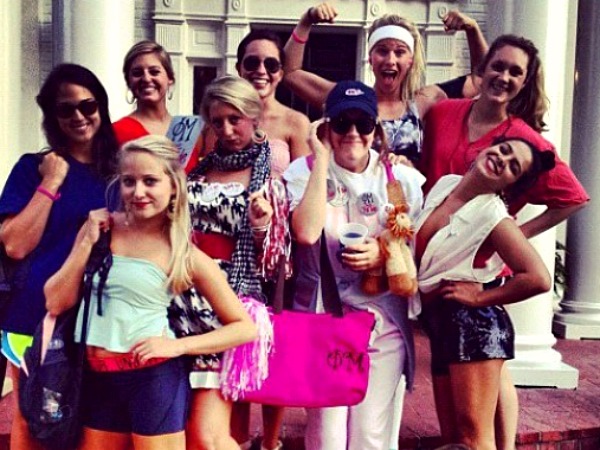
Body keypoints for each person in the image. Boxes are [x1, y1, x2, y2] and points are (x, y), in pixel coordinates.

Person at [419, 35, 590, 450]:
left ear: (525, 82)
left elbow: (572, 200)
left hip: (473, 303)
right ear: (482, 67)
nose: (505, 76)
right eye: (499, 65)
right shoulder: (445, 169)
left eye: (517, 72)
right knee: (455, 439)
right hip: (441, 304)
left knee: (474, 438)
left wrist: (512, 238)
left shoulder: (522, 144)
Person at [44, 135, 257, 450]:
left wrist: (178, 347)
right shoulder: (99, 230)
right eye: (129, 181)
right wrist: (86, 242)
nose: (138, 192)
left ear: (173, 187)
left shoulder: (183, 253)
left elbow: (245, 327)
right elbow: (55, 300)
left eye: (150, 181)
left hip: (153, 378)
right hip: (97, 377)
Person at [283, 80, 424, 450]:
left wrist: (382, 253)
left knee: (370, 435)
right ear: (326, 125)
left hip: (383, 319)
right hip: (325, 317)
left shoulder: (401, 179)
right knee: (327, 436)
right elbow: (306, 232)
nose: (353, 133)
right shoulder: (303, 171)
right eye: (342, 122)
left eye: (363, 123)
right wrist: (321, 160)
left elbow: (416, 246)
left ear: (376, 128)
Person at [0, 63, 118, 450]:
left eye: (88, 105)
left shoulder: (121, 171)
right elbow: (15, 245)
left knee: (89, 418)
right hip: (35, 312)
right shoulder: (33, 168)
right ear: (52, 116)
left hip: (100, 314)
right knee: (33, 416)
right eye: (65, 109)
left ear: (101, 106)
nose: (79, 116)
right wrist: (52, 181)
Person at [415, 137, 556, 450]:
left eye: (513, 167)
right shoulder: (446, 185)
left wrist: (479, 298)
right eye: (504, 150)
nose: (503, 160)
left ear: (510, 185)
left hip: (474, 326)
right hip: (441, 323)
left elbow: (538, 278)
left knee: (474, 440)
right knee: (454, 441)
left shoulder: (494, 217)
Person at [170, 75, 276, 450]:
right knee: (184, 430)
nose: (227, 130)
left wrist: (262, 226)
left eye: (235, 119)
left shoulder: (268, 173)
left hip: (225, 304)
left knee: (207, 435)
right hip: (177, 301)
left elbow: (276, 261)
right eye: (218, 121)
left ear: (254, 116)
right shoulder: (196, 168)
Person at [228, 28, 313, 450]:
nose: (261, 70)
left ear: (281, 72)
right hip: (232, 246)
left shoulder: (295, 123)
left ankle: (272, 441)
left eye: (271, 64)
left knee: (275, 343)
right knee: (236, 340)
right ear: (239, 67)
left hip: (278, 254)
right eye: (252, 62)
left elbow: (305, 188)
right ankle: (236, 438)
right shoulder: (225, 116)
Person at [283, 2, 488, 165]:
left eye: (399, 52)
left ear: (410, 60)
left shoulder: (423, 101)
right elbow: (290, 73)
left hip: (405, 203)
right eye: (382, 51)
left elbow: (481, 81)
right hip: (355, 201)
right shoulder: (349, 98)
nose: (390, 60)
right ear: (370, 58)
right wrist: (306, 21)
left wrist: (472, 30)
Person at [113, 40, 202, 171]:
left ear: (170, 78)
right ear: (128, 82)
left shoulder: (189, 130)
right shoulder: (116, 132)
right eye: (137, 73)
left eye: (154, 72)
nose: (146, 78)